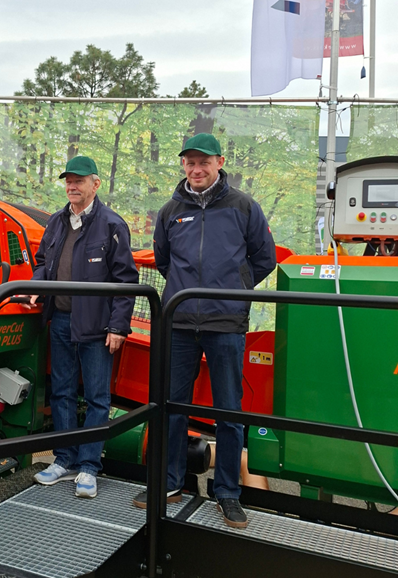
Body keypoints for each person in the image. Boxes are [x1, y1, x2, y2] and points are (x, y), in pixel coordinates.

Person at [132, 133, 276, 528]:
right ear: (184, 165)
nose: (197, 169)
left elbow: (264, 258)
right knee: (170, 406)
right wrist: (186, 295)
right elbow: (164, 261)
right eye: (190, 163)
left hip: (226, 324)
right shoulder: (170, 210)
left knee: (229, 411)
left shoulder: (243, 207)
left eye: (204, 162)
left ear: (219, 162)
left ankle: (227, 492)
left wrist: (233, 290)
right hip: (178, 323)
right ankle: (170, 482)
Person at [23, 156, 138, 498]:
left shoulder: (112, 225)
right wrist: (36, 286)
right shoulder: (57, 222)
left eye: (79, 181)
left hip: (97, 326)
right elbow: (43, 262)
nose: (72, 187)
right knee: (61, 392)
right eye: (68, 181)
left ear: (95, 184)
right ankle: (64, 459)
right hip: (60, 319)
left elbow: (126, 280)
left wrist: (118, 326)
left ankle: (89, 466)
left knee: (97, 397)